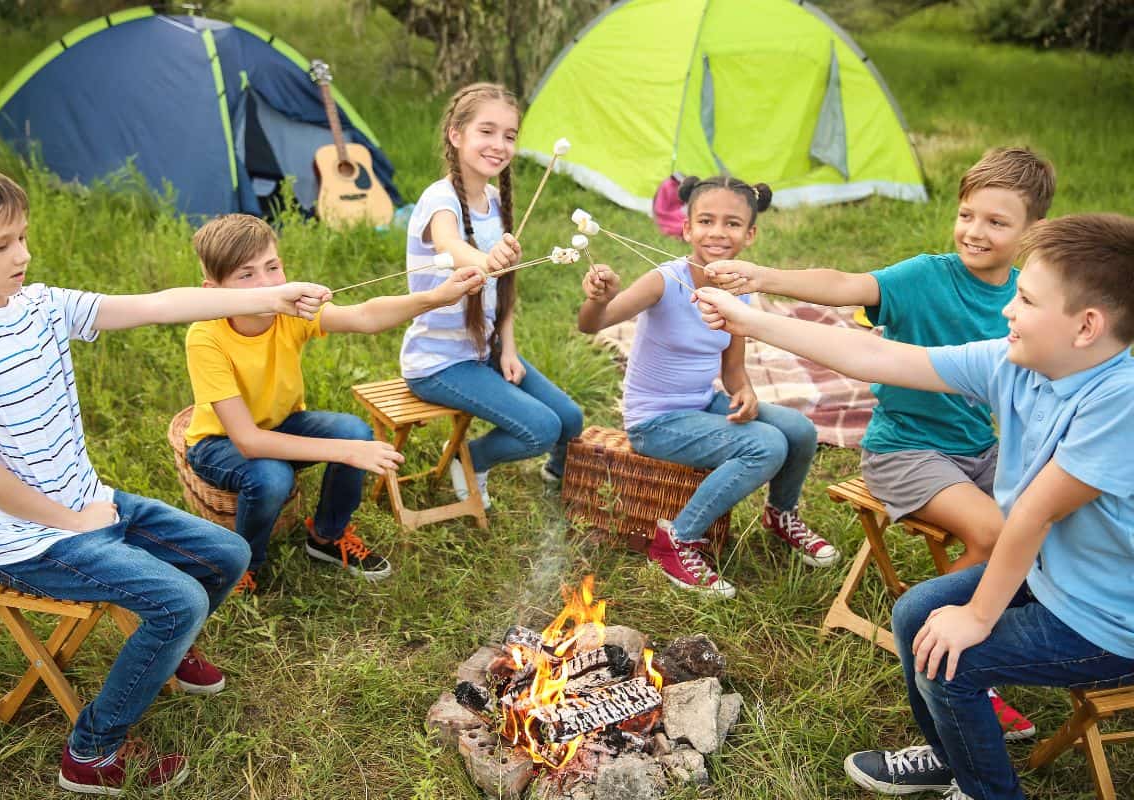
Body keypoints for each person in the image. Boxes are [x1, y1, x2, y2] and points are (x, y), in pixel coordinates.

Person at [696, 213, 1134, 800]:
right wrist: (750, 318)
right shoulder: (1019, 362)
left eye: (1026, 300)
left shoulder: (1120, 400)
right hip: (1055, 575)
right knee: (915, 616)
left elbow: (1034, 513)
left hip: (1109, 621)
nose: (1008, 308)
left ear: (1086, 327)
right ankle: (955, 753)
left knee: (953, 661)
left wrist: (978, 617)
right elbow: (882, 359)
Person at [0, 163, 332, 794]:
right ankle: (90, 753)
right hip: (27, 541)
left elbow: (158, 305)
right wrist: (74, 521)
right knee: (181, 601)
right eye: (2, 244)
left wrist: (266, 296)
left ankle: (167, 653)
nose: (24, 254)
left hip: (90, 504)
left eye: (24, 237)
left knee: (227, 552)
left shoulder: (41, 305)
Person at [708, 147, 1055, 574]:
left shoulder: (1025, 295)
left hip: (980, 450)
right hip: (905, 452)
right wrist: (764, 276)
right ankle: (940, 626)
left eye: (997, 222)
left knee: (1052, 519)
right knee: (991, 533)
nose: (974, 232)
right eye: (967, 215)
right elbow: (846, 284)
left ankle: (1026, 608)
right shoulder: (927, 276)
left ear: (1034, 231)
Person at [185, 214, 486, 592]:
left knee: (354, 430)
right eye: (246, 275)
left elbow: (363, 316)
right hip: (218, 443)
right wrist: (346, 452)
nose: (266, 283)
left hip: (278, 424)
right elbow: (248, 441)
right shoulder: (205, 337)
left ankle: (327, 537)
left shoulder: (287, 311)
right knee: (273, 476)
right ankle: (243, 562)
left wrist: (436, 297)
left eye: (273, 267)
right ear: (213, 290)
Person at [577, 175, 836, 598]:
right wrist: (599, 298)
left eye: (732, 224)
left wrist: (746, 391)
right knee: (766, 445)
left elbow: (732, 368)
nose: (718, 233)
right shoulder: (664, 280)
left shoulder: (739, 290)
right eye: (707, 221)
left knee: (800, 430)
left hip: (702, 403)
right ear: (687, 228)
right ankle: (676, 540)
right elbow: (592, 324)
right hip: (656, 422)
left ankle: (780, 515)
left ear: (750, 235)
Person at [401, 82, 583, 508]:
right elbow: (451, 245)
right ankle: (470, 458)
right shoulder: (439, 200)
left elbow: (503, 292)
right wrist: (484, 259)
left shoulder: (497, 202)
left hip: (485, 350)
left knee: (570, 419)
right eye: (487, 131)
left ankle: (558, 475)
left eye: (509, 135)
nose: (499, 144)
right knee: (540, 428)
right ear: (456, 134)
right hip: (439, 361)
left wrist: (509, 349)